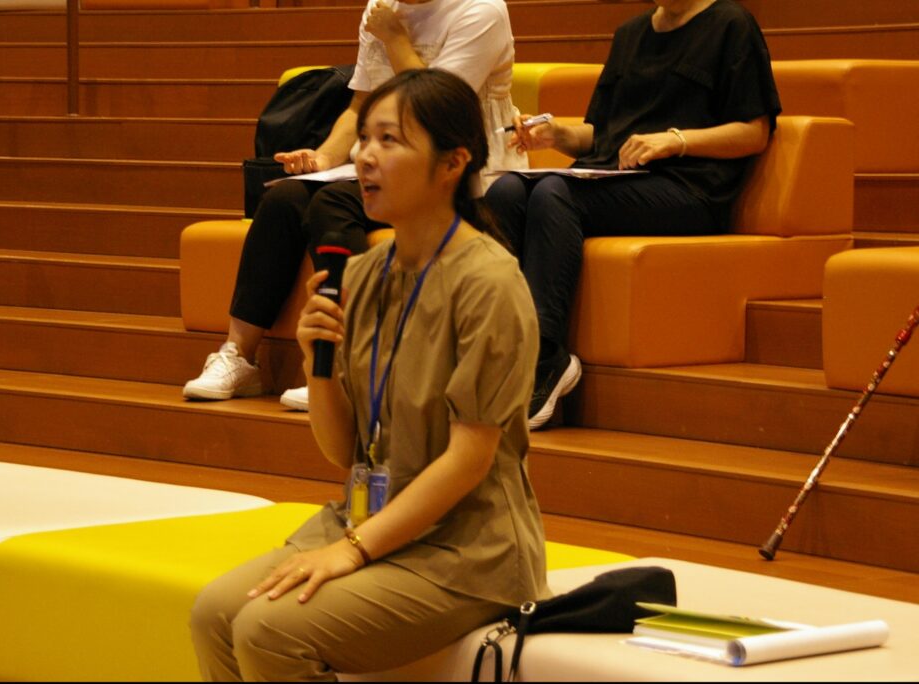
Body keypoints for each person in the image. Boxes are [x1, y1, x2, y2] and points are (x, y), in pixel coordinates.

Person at [188, 68, 548, 682]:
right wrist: (317, 366)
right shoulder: (362, 274)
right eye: (364, 139)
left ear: (452, 163)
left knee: (268, 631)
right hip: (368, 518)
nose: (365, 157)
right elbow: (344, 450)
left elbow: (470, 460)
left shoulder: (489, 283)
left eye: (390, 140)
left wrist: (353, 550)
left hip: (465, 551)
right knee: (214, 614)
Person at [183, 0, 525, 408]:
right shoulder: (381, 9)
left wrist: (395, 37)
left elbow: (438, 111)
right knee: (284, 197)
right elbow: (360, 106)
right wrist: (322, 159)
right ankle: (240, 355)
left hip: (459, 169)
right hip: (389, 162)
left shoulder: (481, 11)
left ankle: (351, 360)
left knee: (333, 204)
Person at [485, 0, 781, 430]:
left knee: (553, 194)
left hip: (688, 187)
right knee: (507, 191)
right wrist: (556, 134)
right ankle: (502, 351)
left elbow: (754, 132)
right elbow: (601, 134)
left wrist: (676, 140)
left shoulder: (730, 24)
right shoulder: (630, 34)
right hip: (615, 178)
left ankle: (546, 357)